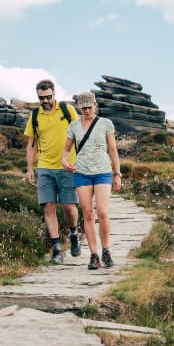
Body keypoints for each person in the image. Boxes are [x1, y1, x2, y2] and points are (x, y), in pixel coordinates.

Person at [61, 91, 122, 270]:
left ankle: (106, 251)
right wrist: (65, 161)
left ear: (95, 105)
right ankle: (93, 255)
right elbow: (66, 150)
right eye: (83, 108)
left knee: (102, 212)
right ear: (79, 108)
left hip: (103, 172)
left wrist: (117, 174)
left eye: (89, 107)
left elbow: (113, 150)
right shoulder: (73, 126)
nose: (87, 111)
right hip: (81, 173)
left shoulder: (105, 124)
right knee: (88, 213)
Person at [24, 79, 81, 263]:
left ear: (54, 94)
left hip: (67, 167)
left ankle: (73, 233)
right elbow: (31, 145)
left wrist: (81, 161)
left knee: (69, 207)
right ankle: (56, 249)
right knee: (48, 207)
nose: (46, 101)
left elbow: (80, 135)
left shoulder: (67, 110)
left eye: (48, 97)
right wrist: (30, 169)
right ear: (38, 97)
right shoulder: (35, 116)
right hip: (45, 168)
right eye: (42, 98)